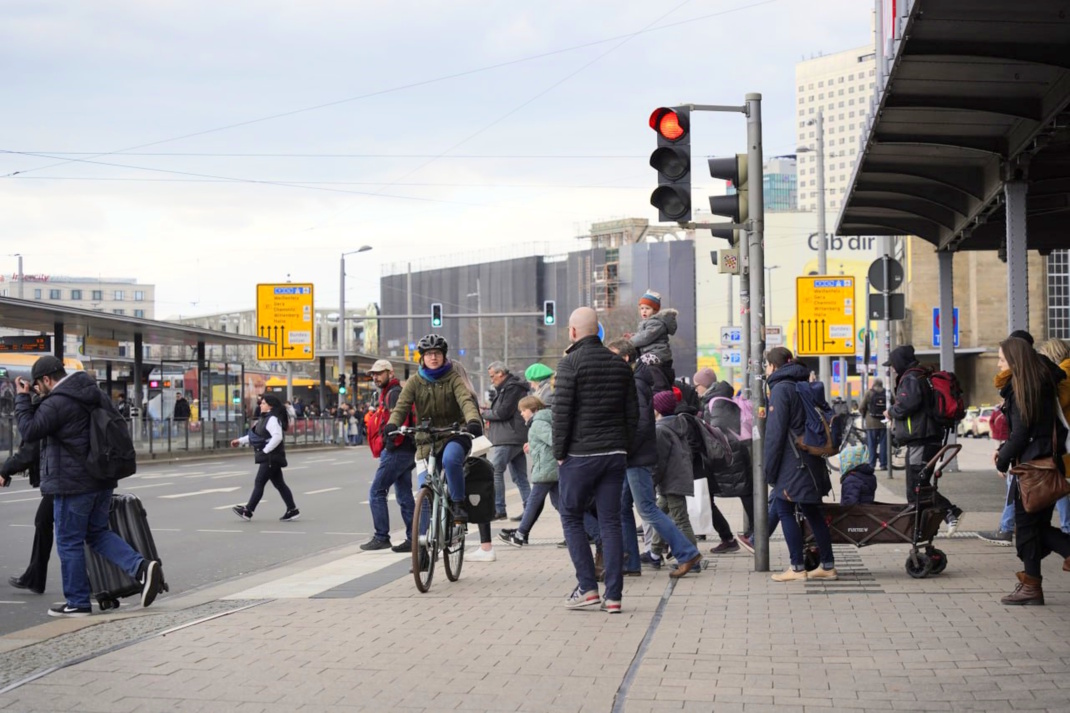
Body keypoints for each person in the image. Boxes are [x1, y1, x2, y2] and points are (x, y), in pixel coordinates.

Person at [14, 355, 165, 617]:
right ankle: (142, 569)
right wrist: (38, 398)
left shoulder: (58, 401)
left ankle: (78, 602)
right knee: (96, 533)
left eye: (40, 384)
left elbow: (29, 430)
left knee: (69, 540)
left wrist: (22, 398)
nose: (38, 388)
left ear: (47, 380)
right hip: (101, 477)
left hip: (73, 483)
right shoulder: (91, 392)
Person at [553, 307, 641, 613]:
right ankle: (614, 596)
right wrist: (623, 447)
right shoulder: (620, 366)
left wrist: (559, 453)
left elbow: (561, 414)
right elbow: (634, 415)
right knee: (611, 521)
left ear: (574, 332)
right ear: (599, 331)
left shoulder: (569, 364)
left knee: (571, 516)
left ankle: (588, 588)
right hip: (615, 455)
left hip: (580, 454)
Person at [605, 339, 703, 577]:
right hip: (634, 454)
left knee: (647, 508)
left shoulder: (636, 383)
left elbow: (640, 424)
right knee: (622, 507)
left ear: (626, 358)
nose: (610, 362)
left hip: (635, 456)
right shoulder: (634, 380)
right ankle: (631, 562)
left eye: (613, 356)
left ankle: (687, 553)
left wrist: (627, 449)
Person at [993, 336, 1070, 605]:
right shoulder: (1042, 381)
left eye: (1001, 359)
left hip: (1031, 469)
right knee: (1035, 527)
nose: (998, 364)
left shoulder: (1022, 387)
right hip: (1048, 464)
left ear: (1014, 361)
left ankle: (1032, 586)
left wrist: (1002, 459)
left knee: (1028, 530)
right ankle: (1031, 587)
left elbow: (1022, 432)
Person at [385, 334, 483, 527]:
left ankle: (457, 503)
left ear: (444, 356)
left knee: (450, 459)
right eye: (428, 354)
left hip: (454, 434)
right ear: (422, 358)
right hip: (427, 439)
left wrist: (472, 421)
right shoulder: (414, 381)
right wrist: (391, 425)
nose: (433, 357)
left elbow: (465, 401)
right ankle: (423, 544)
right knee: (425, 488)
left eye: (437, 353)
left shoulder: (453, 378)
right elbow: (402, 406)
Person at [763, 347, 838, 582]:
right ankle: (827, 565)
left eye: (767, 365)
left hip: (793, 462)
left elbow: (775, 434)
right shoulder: (804, 384)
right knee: (811, 511)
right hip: (811, 458)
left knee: (784, 509)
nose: (766, 370)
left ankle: (796, 567)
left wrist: (769, 470)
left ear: (773, 366)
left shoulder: (781, 390)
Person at [884, 344, 964, 533]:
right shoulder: (920, 375)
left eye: (893, 364)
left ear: (900, 363)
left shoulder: (911, 378)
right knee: (919, 484)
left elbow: (907, 404)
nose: (892, 368)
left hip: (921, 439)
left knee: (916, 487)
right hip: (928, 437)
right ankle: (923, 526)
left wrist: (890, 412)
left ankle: (946, 514)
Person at [360, 359, 416, 553]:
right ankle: (414, 538)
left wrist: (391, 444)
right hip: (405, 450)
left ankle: (381, 536)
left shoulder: (393, 393)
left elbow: (399, 420)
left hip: (398, 450)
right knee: (404, 495)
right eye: (373, 374)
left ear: (390, 373)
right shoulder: (390, 392)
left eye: (379, 373)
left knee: (376, 492)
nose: (375, 377)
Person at [230, 394, 300, 522]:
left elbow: (277, 436)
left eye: (263, 403)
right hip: (271, 457)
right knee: (280, 484)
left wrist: (266, 450)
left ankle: (248, 511)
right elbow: (255, 436)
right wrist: (239, 441)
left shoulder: (272, 419)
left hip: (270, 457)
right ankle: (292, 509)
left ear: (270, 406)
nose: (260, 405)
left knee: (259, 482)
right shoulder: (264, 419)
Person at [650, 391, 702, 562]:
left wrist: (651, 481)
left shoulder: (661, 429)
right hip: (676, 479)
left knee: (681, 520)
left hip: (671, 481)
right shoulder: (677, 423)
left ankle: (691, 557)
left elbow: (659, 461)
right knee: (658, 515)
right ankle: (655, 553)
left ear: (658, 409)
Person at [498, 396, 556, 547]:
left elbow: (554, 442)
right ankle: (522, 533)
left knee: (533, 502)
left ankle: (520, 534)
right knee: (561, 505)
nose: (522, 413)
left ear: (534, 409)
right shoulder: (542, 421)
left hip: (545, 470)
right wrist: (533, 446)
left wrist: (534, 446)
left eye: (524, 410)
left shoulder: (538, 424)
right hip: (550, 470)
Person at [1, 425, 52, 595]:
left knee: (49, 524)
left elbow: (31, 449)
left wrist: (6, 470)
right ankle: (35, 577)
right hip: (68, 478)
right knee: (47, 524)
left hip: (65, 479)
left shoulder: (49, 406)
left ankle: (134, 567)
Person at [482, 362, 531, 521]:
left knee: (495, 470)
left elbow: (502, 412)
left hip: (509, 437)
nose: (491, 380)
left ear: (501, 373)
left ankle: (499, 509)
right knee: (519, 476)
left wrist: (484, 413)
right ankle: (530, 509)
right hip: (513, 436)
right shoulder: (509, 387)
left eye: (492, 376)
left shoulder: (511, 388)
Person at [628, 290, 677, 389]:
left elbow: (645, 337)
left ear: (655, 310)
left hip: (657, 354)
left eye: (647, 308)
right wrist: (633, 335)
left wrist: (630, 342)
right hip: (652, 353)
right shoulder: (648, 322)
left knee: (639, 365)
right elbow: (643, 335)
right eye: (642, 308)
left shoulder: (656, 323)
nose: (644, 311)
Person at [858, 378, 888, 469]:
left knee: (872, 444)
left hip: (871, 423)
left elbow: (861, 407)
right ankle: (883, 464)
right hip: (884, 422)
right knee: (883, 444)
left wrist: (864, 415)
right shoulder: (886, 393)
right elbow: (894, 403)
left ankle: (872, 464)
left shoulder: (869, 393)